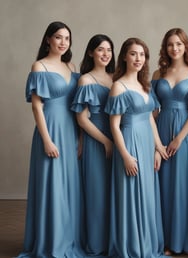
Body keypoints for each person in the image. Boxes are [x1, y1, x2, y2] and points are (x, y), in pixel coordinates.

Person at [17, 21, 84, 257]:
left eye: (67, 38)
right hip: (51, 130)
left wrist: (80, 139)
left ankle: (67, 238)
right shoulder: (40, 66)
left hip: (70, 131)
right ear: (48, 39)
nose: (63, 42)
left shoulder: (71, 66)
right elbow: (37, 107)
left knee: (68, 187)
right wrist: (46, 140)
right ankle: (51, 242)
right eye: (58, 37)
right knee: (52, 186)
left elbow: (77, 107)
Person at [105, 37, 169, 258]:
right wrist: (125, 156)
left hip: (146, 142)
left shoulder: (145, 85)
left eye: (142, 54)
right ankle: (132, 248)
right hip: (130, 142)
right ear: (124, 56)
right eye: (133, 53)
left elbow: (150, 118)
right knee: (131, 196)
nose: (138, 58)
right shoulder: (118, 86)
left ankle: (147, 244)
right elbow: (114, 125)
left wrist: (157, 148)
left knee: (148, 196)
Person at [151, 28, 188, 255]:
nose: (174, 48)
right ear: (165, 47)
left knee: (185, 187)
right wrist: (154, 143)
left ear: (186, 47)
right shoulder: (156, 74)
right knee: (163, 187)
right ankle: (167, 242)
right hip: (161, 130)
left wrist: (179, 139)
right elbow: (151, 111)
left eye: (179, 44)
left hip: (185, 133)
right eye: (170, 44)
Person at [71, 34, 115, 256]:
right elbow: (81, 119)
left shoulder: (116, 77)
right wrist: (106, 141)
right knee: (97, 193)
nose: (105, 54)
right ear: (91, 53)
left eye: (108, 50)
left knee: (114, 193)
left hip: (117, 138)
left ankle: (113, 241)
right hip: (96, 139)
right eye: (100, 50)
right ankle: (97, 244)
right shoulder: (85, 80)